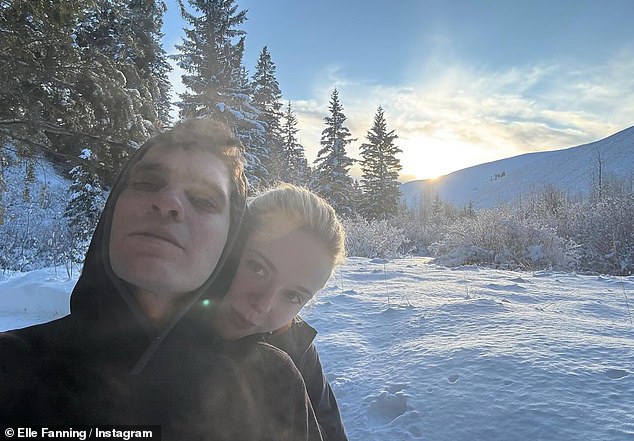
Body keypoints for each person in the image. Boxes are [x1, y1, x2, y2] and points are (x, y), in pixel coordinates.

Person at [0, 120, 323, 441]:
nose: (168, 202)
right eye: (147, 182)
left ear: (230, 241)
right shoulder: (11, 366)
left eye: (204, 200)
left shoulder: (273, 383)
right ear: (114, 209)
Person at [211, 184, 349, 441]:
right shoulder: (146, 320)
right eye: (258, 268)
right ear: (229, 246)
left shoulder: (295, 348)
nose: (263, 304)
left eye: (293, 296)